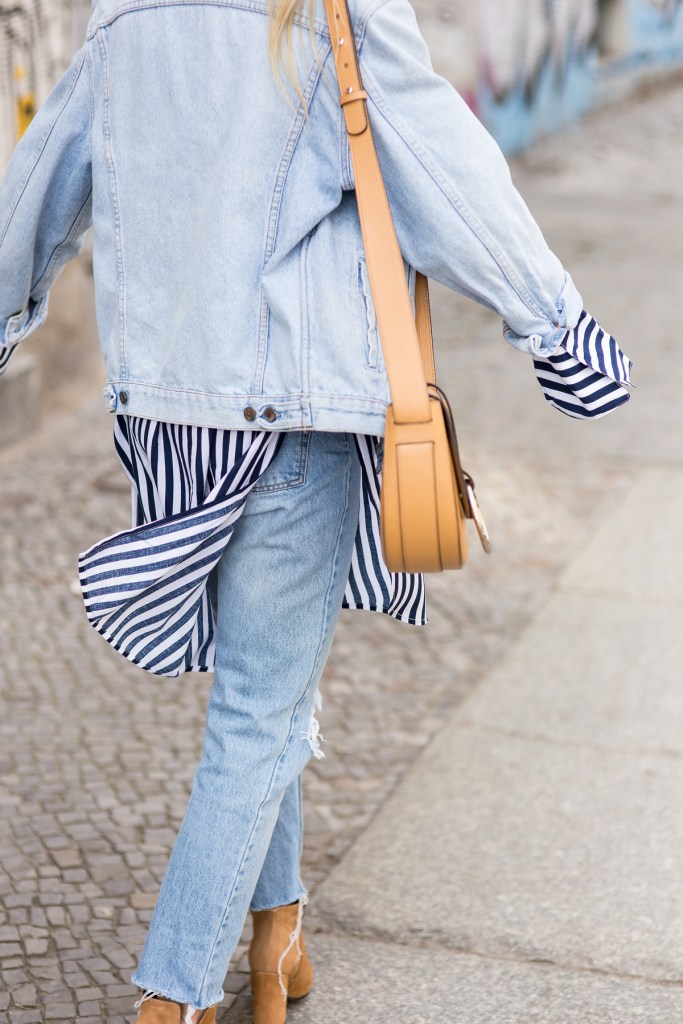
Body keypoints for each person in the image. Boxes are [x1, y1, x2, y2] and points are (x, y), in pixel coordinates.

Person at [0, 0, 632, 1019]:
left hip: (168, 413)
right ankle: (174, 996)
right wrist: (558, 330)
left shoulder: (124, 10)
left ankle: (277, 932)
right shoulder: (332, 5)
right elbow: (443, 170)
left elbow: (38, 181)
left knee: (264, 675)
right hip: (290, 409)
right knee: (260, 708)